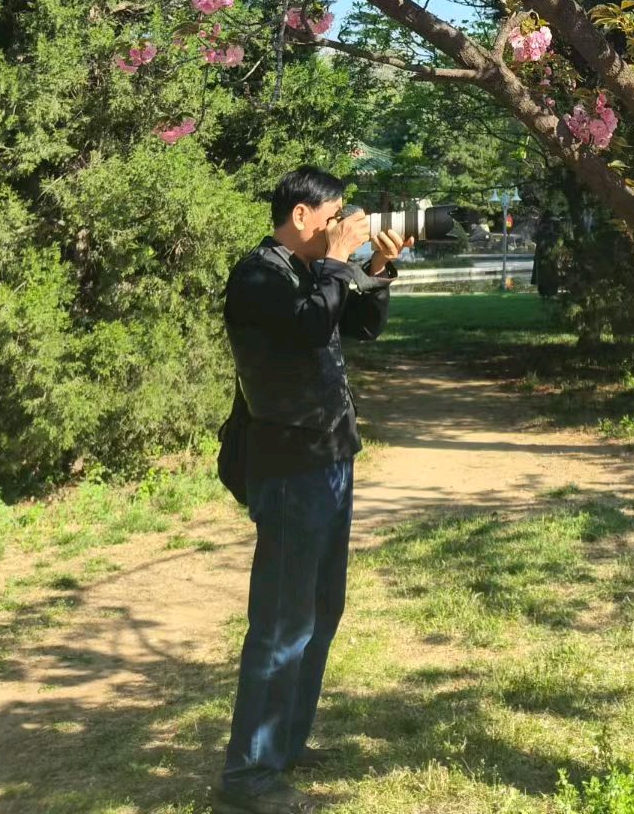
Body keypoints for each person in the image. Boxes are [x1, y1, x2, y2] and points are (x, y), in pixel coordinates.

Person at [215, 166, 411, 813]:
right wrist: (334, 264)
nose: (343, 227)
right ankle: (249, 777)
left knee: (321, 612)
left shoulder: (308, 271)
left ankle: (284, 745)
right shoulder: (258, 275)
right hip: (289, 468)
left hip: (330, 459)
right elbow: (306, 327)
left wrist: (375, 270)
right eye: (334, 217)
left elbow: (359, 327)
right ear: (301, 215)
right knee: (282, 622)